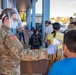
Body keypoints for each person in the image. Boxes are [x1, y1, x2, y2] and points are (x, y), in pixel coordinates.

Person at [0, 8, 48, 75]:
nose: (16, 22)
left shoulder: (2, 31)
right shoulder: (8, 35)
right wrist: (47, 52)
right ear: (6, 19)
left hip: (3, 69)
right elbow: (22, 54)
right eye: (14, 20)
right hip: (10, 71)